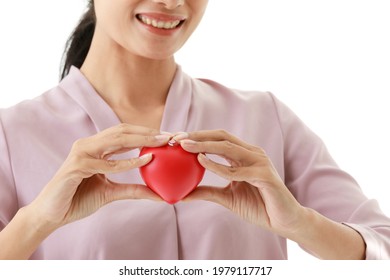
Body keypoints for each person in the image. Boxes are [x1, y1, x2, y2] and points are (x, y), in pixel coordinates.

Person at [0, 0, 389, 260]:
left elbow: (381, 246)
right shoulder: (12, 134)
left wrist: (301, 224)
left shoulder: (265, 118)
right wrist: (37, 221)